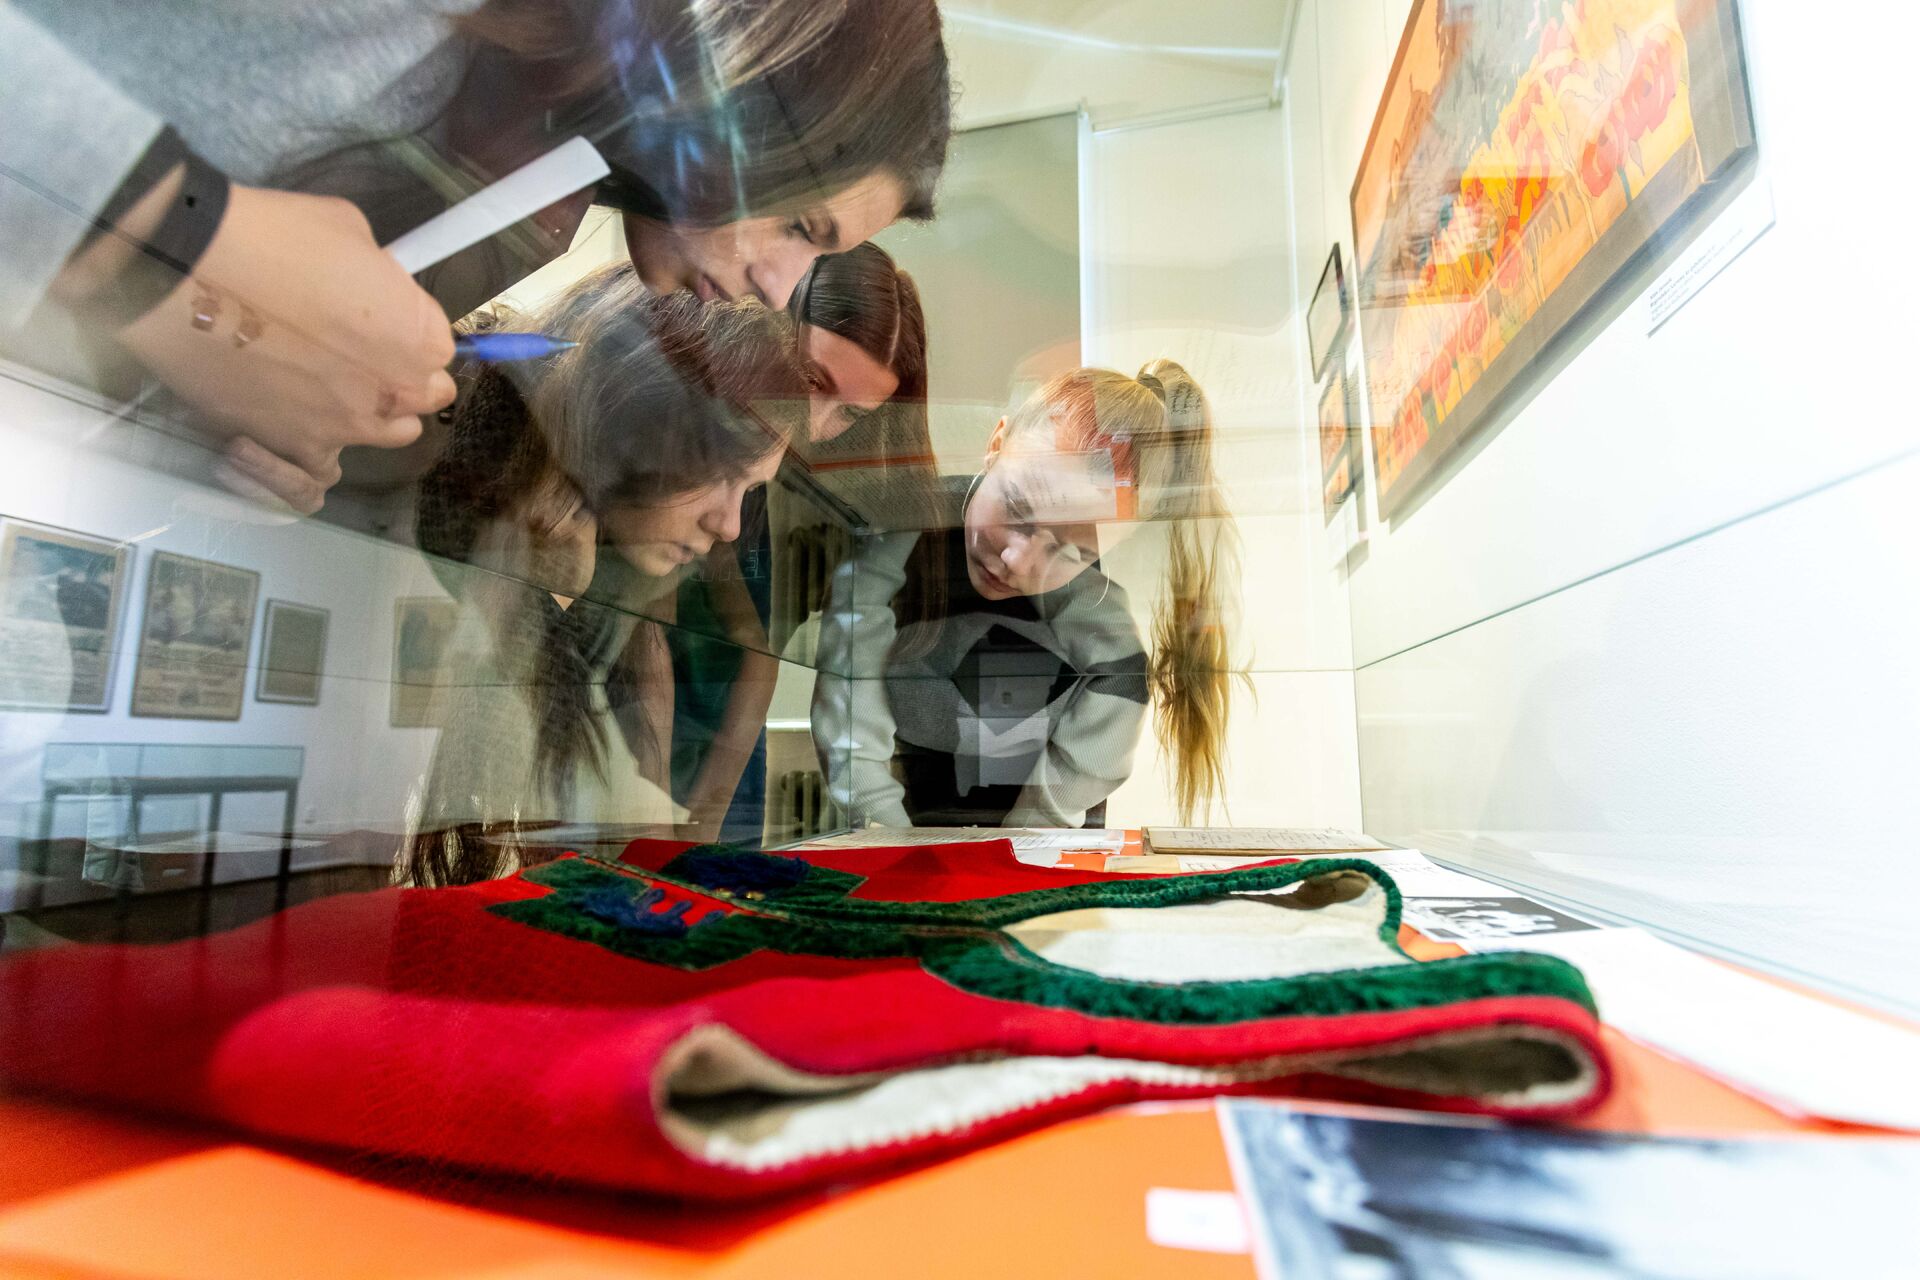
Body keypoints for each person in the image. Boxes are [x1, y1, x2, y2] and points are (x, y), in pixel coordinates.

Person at [4, 0, 951, 510]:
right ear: (751, 95)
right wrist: (174, 243)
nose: (777, 289)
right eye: (801, 226)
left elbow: (221, 339)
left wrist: (267, 425)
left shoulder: (543, 186)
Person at [400, 263, 805, 886]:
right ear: (642, 425)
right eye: (722, 475)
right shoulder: (462, 516)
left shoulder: (610, 587)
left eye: (748, 492)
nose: (729, 525)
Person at [812, 361, 1241, 828]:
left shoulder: (1093, 605)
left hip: (1043, 838)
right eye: (1017, 508)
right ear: (996, 444)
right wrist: (884, 831)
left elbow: (1123, 678)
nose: (1018, 562)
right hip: (901, 818)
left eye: (1071, 552)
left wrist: (1031, 832)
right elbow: (849, 685)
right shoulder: (903, 533)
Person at [665, 243, 936, 842]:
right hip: (632, 722)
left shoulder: (848, 494)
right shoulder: (702, 427)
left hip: (733, 749)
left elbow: (779, 662)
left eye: (851, 414)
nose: (814, 424)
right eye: (813, 381)